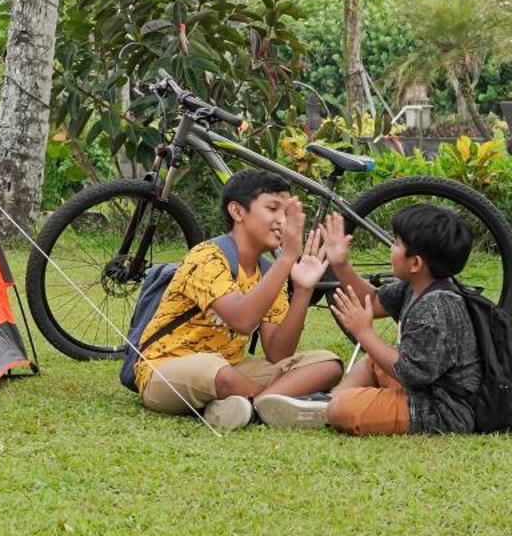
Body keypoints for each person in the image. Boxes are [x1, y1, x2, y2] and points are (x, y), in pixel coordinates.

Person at [131, 171, 344, 430]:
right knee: (217, 370)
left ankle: (254, 405)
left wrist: (302, 290)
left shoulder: (267, 272)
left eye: (287, 213)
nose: (282, 221)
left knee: (327, 364)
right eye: (273, 209)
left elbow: (278, 353)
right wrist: (287, 258)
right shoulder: (207, 256)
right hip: (165, 370)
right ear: (237, 211)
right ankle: (277, 404)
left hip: (233, 369)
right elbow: (242, 320)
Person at [259, 206, 483, 436]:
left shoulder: (436, 307)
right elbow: (373, 300)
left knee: (344, 410)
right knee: (372, 362)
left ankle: (331, 406)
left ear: (415, 263)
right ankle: (327, 400)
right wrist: (341, 264)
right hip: (423, 388)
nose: (390, 247)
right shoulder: (417, 287)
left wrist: (364, 333)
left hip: (440, 410)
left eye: (396, 243)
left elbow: (410, 373)